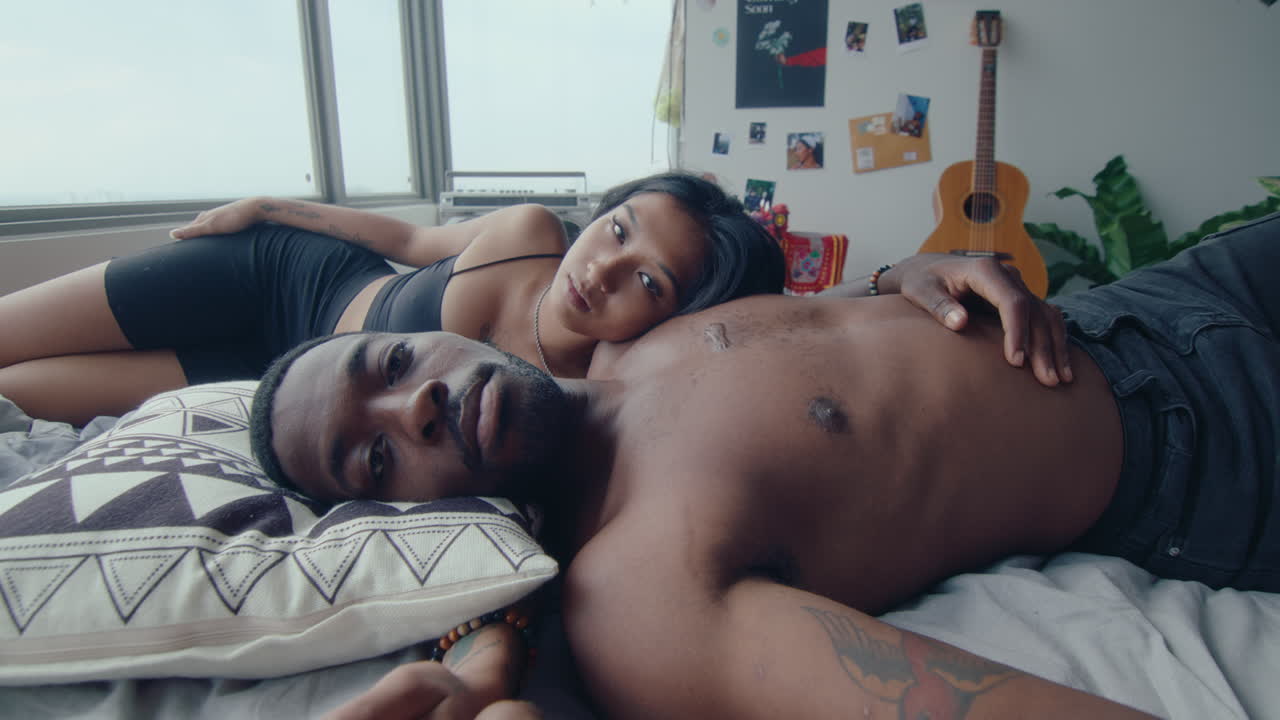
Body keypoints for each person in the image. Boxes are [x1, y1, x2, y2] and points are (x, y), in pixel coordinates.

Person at [247, 211, 1280, 718]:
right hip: (1209, 451)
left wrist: (904, 273)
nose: (412, 401)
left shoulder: (630, 335)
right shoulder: (639, 587)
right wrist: (488, 664)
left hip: (1148, 301)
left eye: (389, 363)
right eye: (374, 455)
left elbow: (818, 334)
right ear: (399, 519)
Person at [0, 172, 786, 427]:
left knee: (17, 393)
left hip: (271, 373)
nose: (602, 271)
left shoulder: (591, 394)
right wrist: (272, 210)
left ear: (671, 319)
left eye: (649, 282)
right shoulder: (529, 231)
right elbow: (408, 244)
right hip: (277, 273)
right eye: (618, 229)